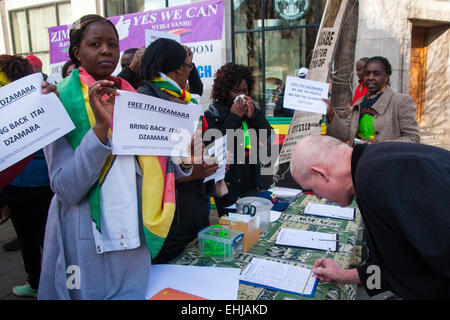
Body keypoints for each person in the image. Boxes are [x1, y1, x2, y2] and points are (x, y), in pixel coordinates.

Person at [38, 15, 192, 299]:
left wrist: (185, 157)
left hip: (132, 236)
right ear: (77, 53)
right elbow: (66, 188)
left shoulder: (135, 100)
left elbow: (154, 166)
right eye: (95, 44)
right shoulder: (58, 102)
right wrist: (100, 130)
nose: (106, 50)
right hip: (87, 240)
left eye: (112, 43)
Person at [290, 135, 450, 299]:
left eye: (312, 189)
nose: (317, 197)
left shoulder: (377, 178)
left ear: (322, 174)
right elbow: (401, 268)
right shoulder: (370, 165)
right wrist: (345, 276)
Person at [138, 38, 218, 264]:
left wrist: (207, 165)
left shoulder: (181, 99)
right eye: (189, 66)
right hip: (169, 217)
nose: (189, 72)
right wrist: (192, 171)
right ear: (178, 69)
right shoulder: (146, 101)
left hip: (193, 206)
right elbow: (146, 168)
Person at [0, 54, 57, 297]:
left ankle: (36, 282)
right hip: (46, 183)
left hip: (18, 185)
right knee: (51, 239)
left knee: (28, 240)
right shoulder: (44, 94)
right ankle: (56, 283)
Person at [204, 63, 274, 216]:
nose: (241, 95)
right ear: (225, 91)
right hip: (228, 184)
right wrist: (234, 117)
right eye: (236, 91)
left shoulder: (252, 108)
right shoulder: (213, 113)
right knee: (232, 226)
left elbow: (269, 135)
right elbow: (215, 147)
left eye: (245, 91)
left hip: (251, 179)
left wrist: (253, 116)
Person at [325, 56, 420, 145]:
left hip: (387, 160)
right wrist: (331, 114)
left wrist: (381, 145)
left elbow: (413, 138)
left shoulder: (401, 102)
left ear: (386, 77)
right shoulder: (358, 103)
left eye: (376, 74)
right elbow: (346, 136)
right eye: (367, 74)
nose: (370, 77)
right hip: (361, 159)